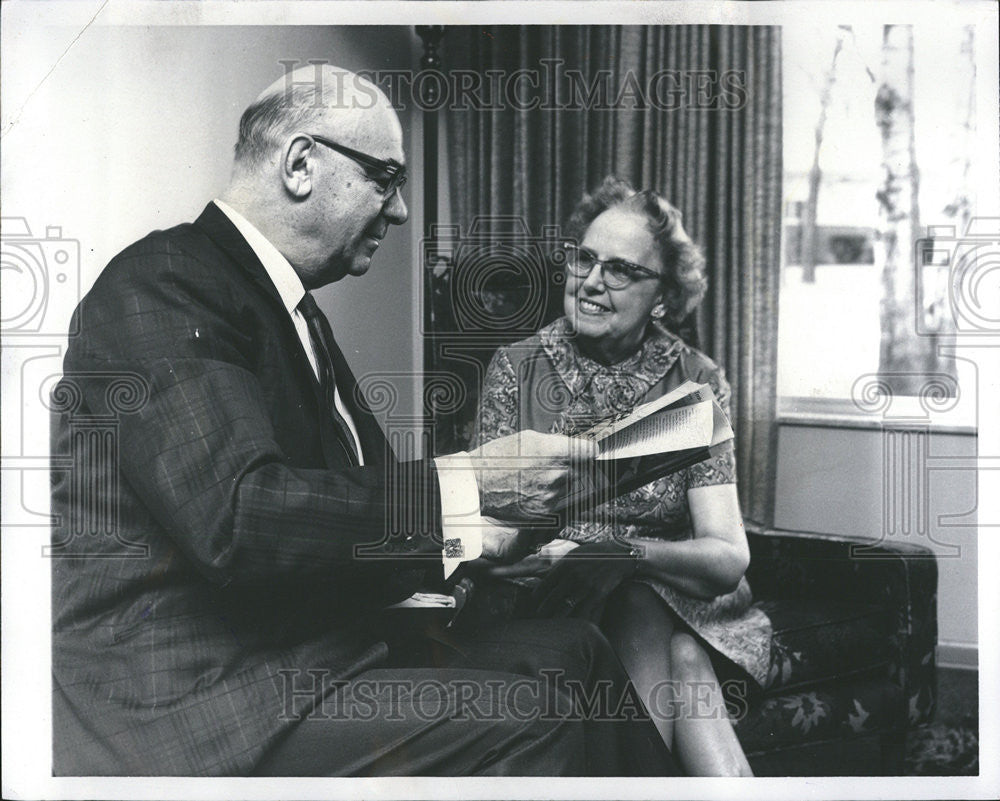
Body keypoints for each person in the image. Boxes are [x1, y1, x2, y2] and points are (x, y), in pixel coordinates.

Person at [49, 69, 680, 777]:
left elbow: (350, 511)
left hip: (305, 655)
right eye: (385, 177)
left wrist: (484, 537)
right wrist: (472, 485)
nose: (402, 210)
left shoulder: (292, 310)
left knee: (579, 652)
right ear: (299, 164)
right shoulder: (161, 285)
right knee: (531, 716)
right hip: (195, 701)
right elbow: (241, 519)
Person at [475, 176, 772, 777]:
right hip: (552, 594)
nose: (590, 282)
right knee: (684, 661)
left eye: (619, 270)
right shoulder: (515, 368)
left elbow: (727, 557)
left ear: (661, 297)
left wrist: (623, 552)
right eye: (584, 258)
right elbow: (479, 531)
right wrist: (534, 556)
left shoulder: (697, 382)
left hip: (664, 593)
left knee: (639, 601)